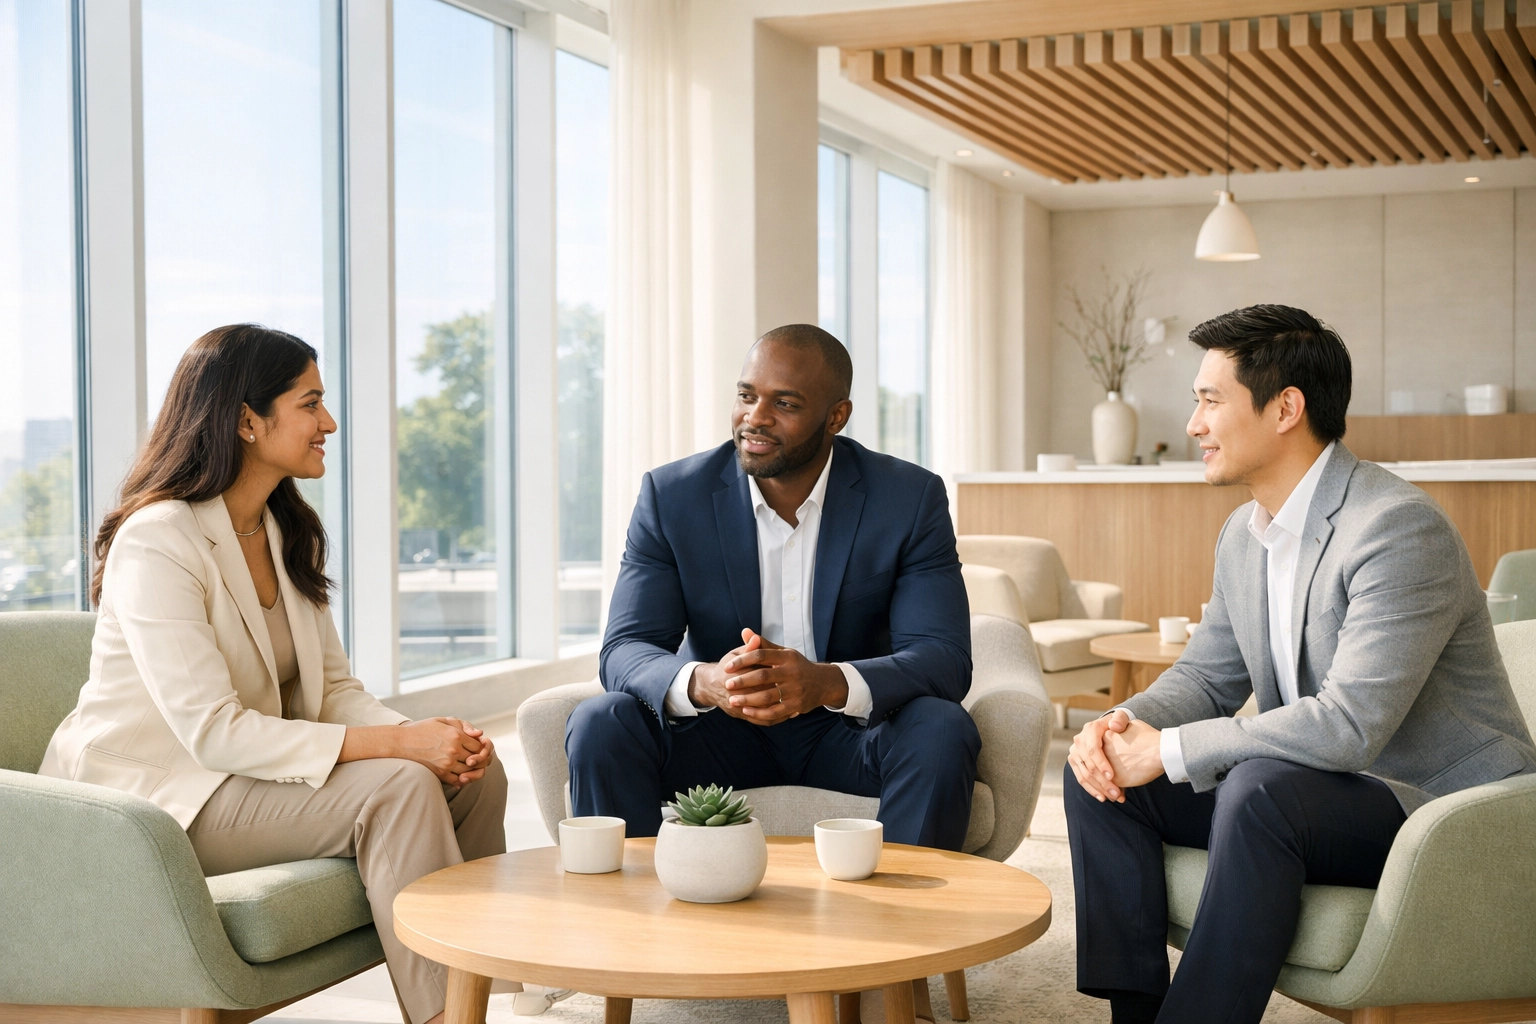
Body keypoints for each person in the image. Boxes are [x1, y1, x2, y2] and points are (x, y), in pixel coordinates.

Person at [1064, 305, 1536, 1024]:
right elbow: (1205, 678)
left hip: (1439, 812)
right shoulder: (1243, 535)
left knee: (1260, 788)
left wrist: (1170, 748)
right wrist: (1116, 727)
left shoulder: (1395, 528)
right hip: (1317, 794)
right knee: (1097, 773)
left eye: (1210, 400)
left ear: (1286, 408)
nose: (1193, 424)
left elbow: (1349, 726)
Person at [40, 324, 506, 1024]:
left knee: (473, 774)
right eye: (310, 403)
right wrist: (399, 748)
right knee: (399, 786)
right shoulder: (159, 539)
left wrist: (428, 735)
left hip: (237, 779)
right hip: (160, 798)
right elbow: (213, 732)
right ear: (246, 421)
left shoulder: (285, 530)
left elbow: (334, 690)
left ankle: (469, 1002)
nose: (330, 423)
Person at [566, 324, 979, 850]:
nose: (755, 418)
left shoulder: (908, 498)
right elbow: (625, 648)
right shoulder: (672, 497)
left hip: (849, 732)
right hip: (717, 732)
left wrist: (825, 683)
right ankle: (628, 901)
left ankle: (905, 903)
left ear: (836, 416)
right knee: (601, 721)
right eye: (746, 396)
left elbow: (943, 659)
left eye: (784, 403)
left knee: (941, 727)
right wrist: (706, 682)